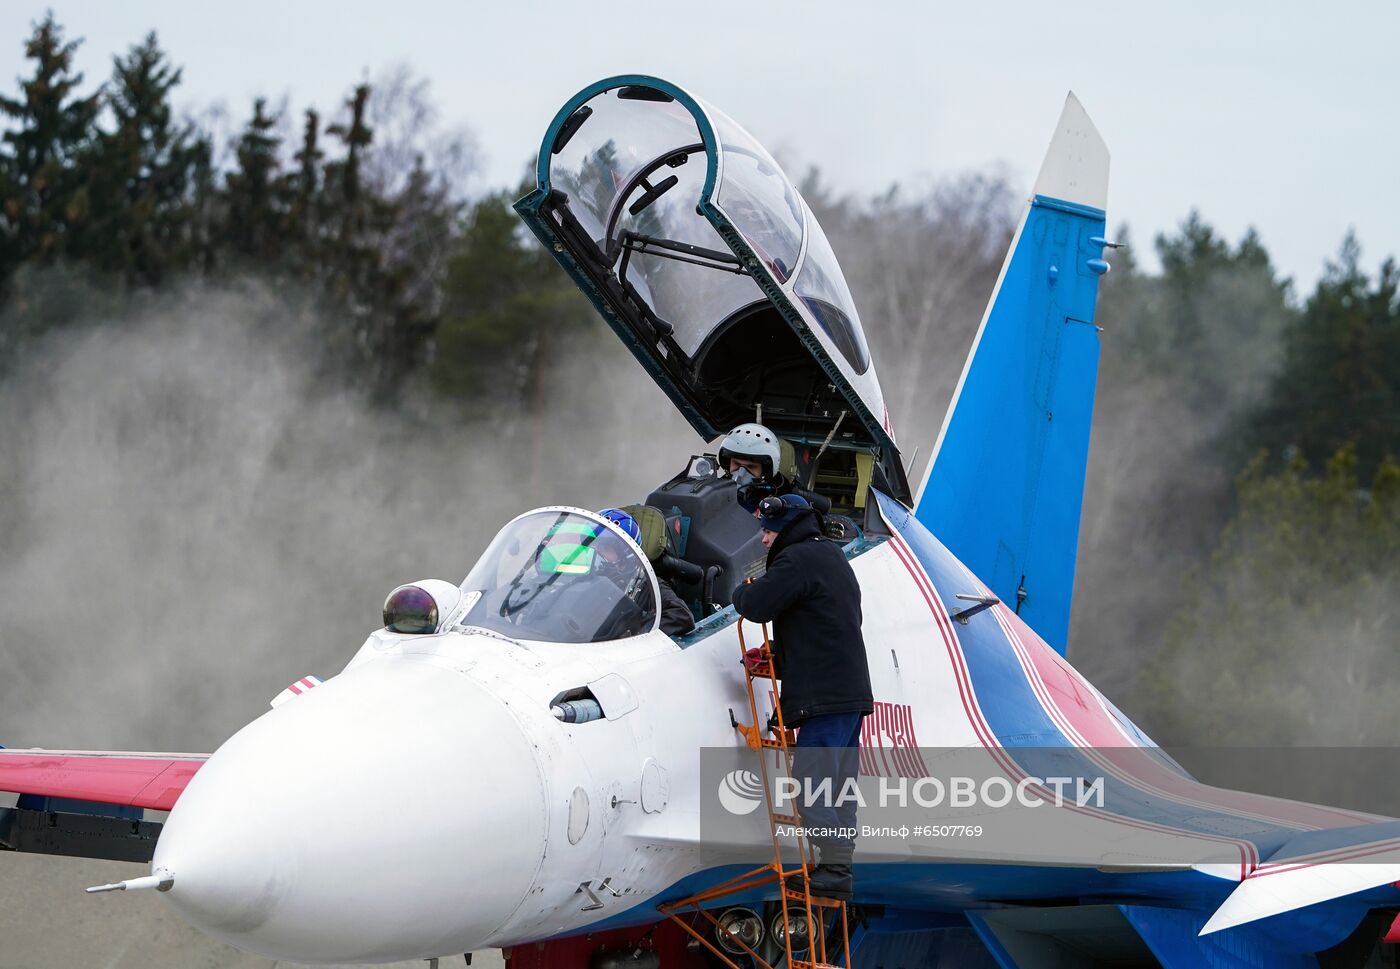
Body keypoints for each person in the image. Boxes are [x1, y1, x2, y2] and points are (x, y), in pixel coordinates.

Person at [730, 494, 872, 900]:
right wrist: (783, 650)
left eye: (769, 531)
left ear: (788, 528)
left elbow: (756, 604)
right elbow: (821, 621)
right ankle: (837, 868)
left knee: (812, 781)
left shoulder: (797, 560)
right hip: (848, 691)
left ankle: (833, 866)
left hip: (824, 694)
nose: (763, 540)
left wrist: (741, 589)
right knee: (839, 783)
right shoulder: (830, 556)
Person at [598, 508, 695, 638]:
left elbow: (682, 616)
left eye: (605, 547)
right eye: (596, 545)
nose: (597, 552)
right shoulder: (595, 577)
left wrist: (638, 634)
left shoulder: (647, 585)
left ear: (626, 552)